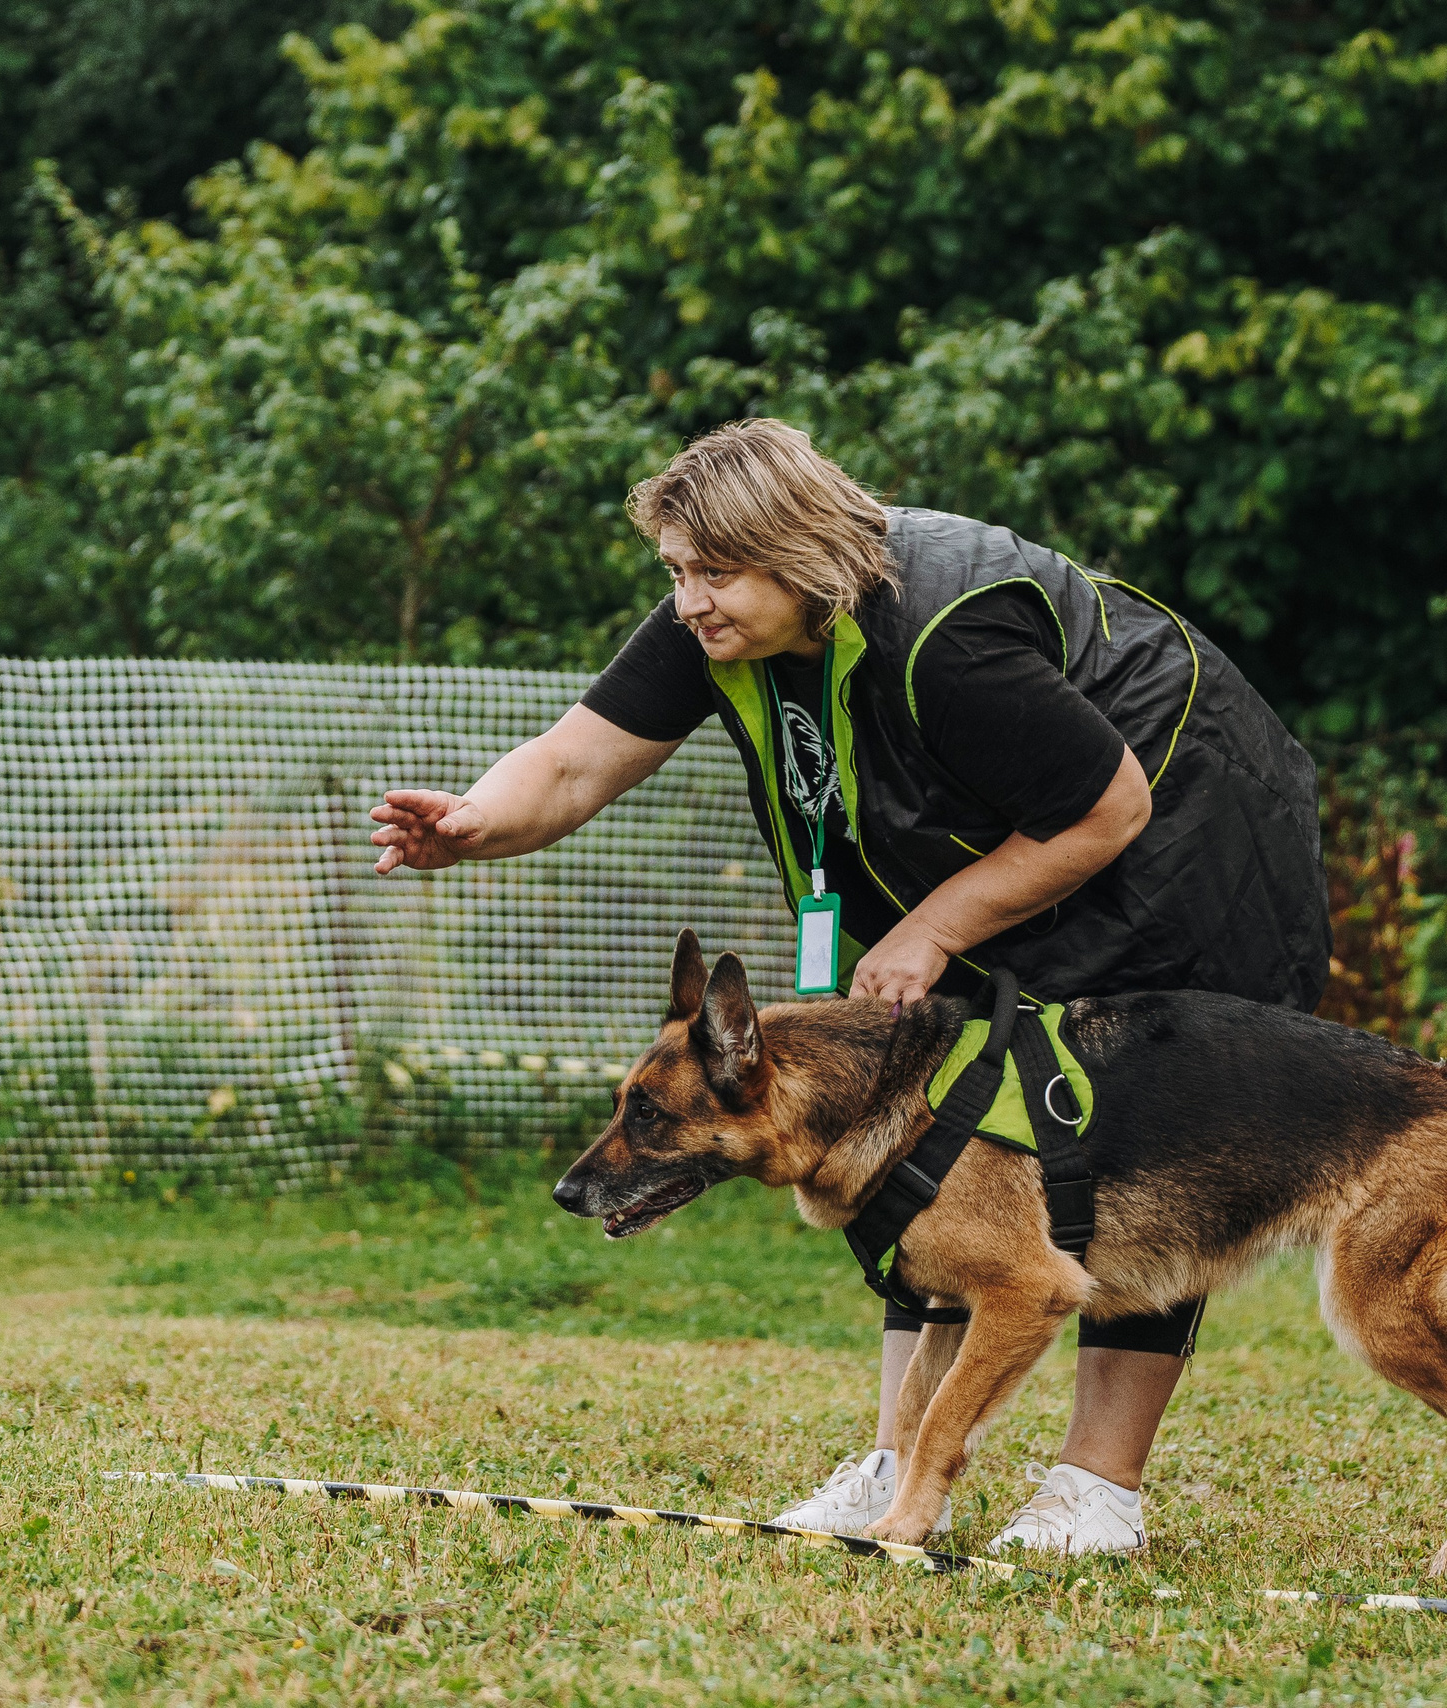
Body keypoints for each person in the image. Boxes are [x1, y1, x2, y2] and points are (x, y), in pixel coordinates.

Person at [369, 419, 1330, 1555]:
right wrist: (478, 819)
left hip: (1185, 836)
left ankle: (1096, 1488)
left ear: (805, 555)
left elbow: (1106, 811)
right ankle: (896, 1466)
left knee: (1118, 1143)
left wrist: (934, 924)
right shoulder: (714, 622)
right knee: (914, 1139)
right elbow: (576, 757)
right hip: (996, 846)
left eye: (713, 572)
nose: (688, 603)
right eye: (675, 572)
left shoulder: (946, 636)